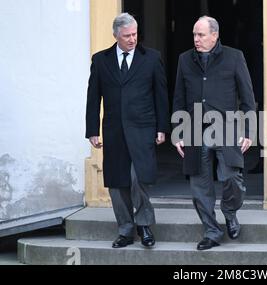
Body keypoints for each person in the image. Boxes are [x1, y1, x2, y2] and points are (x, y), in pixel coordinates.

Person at [85, 13, 169, 249]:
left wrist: (162, 127)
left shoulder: (152, 58)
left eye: (134, 34)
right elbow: (93, 97)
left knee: (137, 177)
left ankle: (144, 225)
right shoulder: (101, 60)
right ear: (116, 36)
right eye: (127, 36)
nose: (132, 39)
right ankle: (125, 229)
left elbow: (160, 95)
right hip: (113, 130)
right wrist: (92, 129)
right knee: (117, 182)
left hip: (143, 128)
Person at [172, 16, 256, 250]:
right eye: (194, 35)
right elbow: (179, 96)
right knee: (199, 187)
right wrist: (178, 132)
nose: (196, 39)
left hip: (226, 127)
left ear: (214, 35)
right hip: (194, 129)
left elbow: (248, 98)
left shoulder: (234, 57)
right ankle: (211, 231)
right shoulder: (185, 60)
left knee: (232, 178)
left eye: (200, 35)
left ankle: (229, 212)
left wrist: (248, 131)